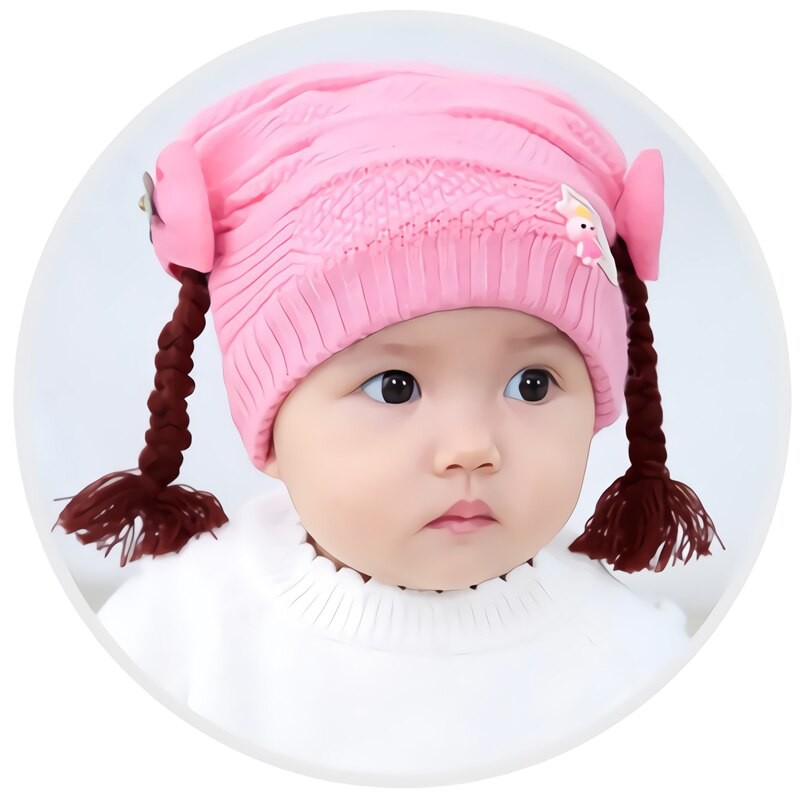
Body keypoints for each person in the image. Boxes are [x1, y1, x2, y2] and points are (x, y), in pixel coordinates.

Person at [54, 60, 723, 783]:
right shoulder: (176, 636)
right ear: (273, 430)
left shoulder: (633, 661)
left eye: (532, 385)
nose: (472, 448)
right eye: (395, 388)